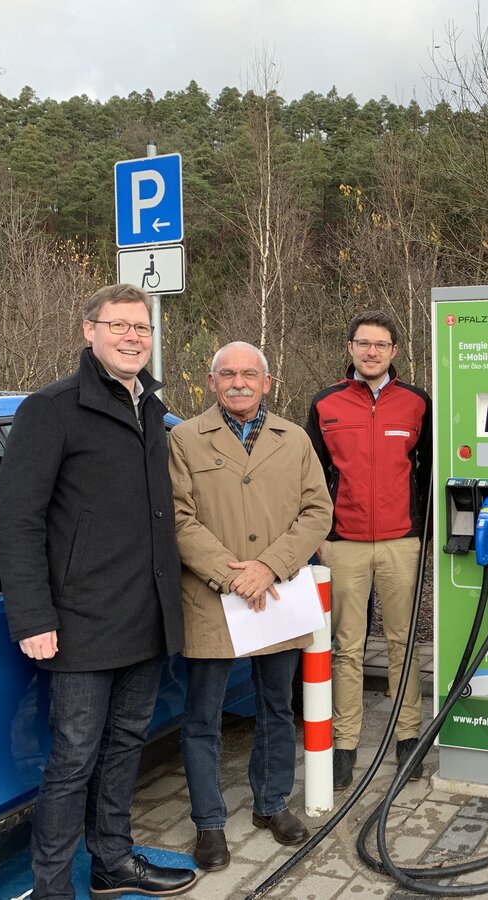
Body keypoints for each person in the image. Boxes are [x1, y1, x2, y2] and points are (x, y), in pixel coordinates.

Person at [0, 284, 196, 899]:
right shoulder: (51, 408)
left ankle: (111, 863)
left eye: (142, 328)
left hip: (144, 615)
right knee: (73, 761)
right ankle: (53, 887)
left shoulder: (151, 411)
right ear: (89, 331)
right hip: (79, 623)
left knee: (124, 747)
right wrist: (33, 616)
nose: (133, 337)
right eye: (119, 326)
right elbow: (18, 520)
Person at [169, 341, 332, 870]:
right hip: (213, 597)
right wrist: (231, 575)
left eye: (249, 374)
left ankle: (271, 804)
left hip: (277, 594)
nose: (238, 382)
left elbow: (316, 512)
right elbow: (178, 518)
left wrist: (269, 567)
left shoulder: (295, 438)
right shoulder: (185, 439)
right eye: (227, 374)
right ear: (212, 382)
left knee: (276, 706)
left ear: (266, 382)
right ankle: (209, 824)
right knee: (203, 717)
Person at [306, 310, 432, 790]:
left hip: (402, 541)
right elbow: (312, 476)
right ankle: (345, 744)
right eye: (364, 343)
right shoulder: (326, 404)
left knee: (403, 643)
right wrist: (320, 534)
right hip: (344, 545)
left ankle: (407, 737)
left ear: (394, 351)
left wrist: (422, 528)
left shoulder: (417, 403)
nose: (372, 351)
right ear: (350, 348)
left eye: (381, 344)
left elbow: (428, 469)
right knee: (347, 648)